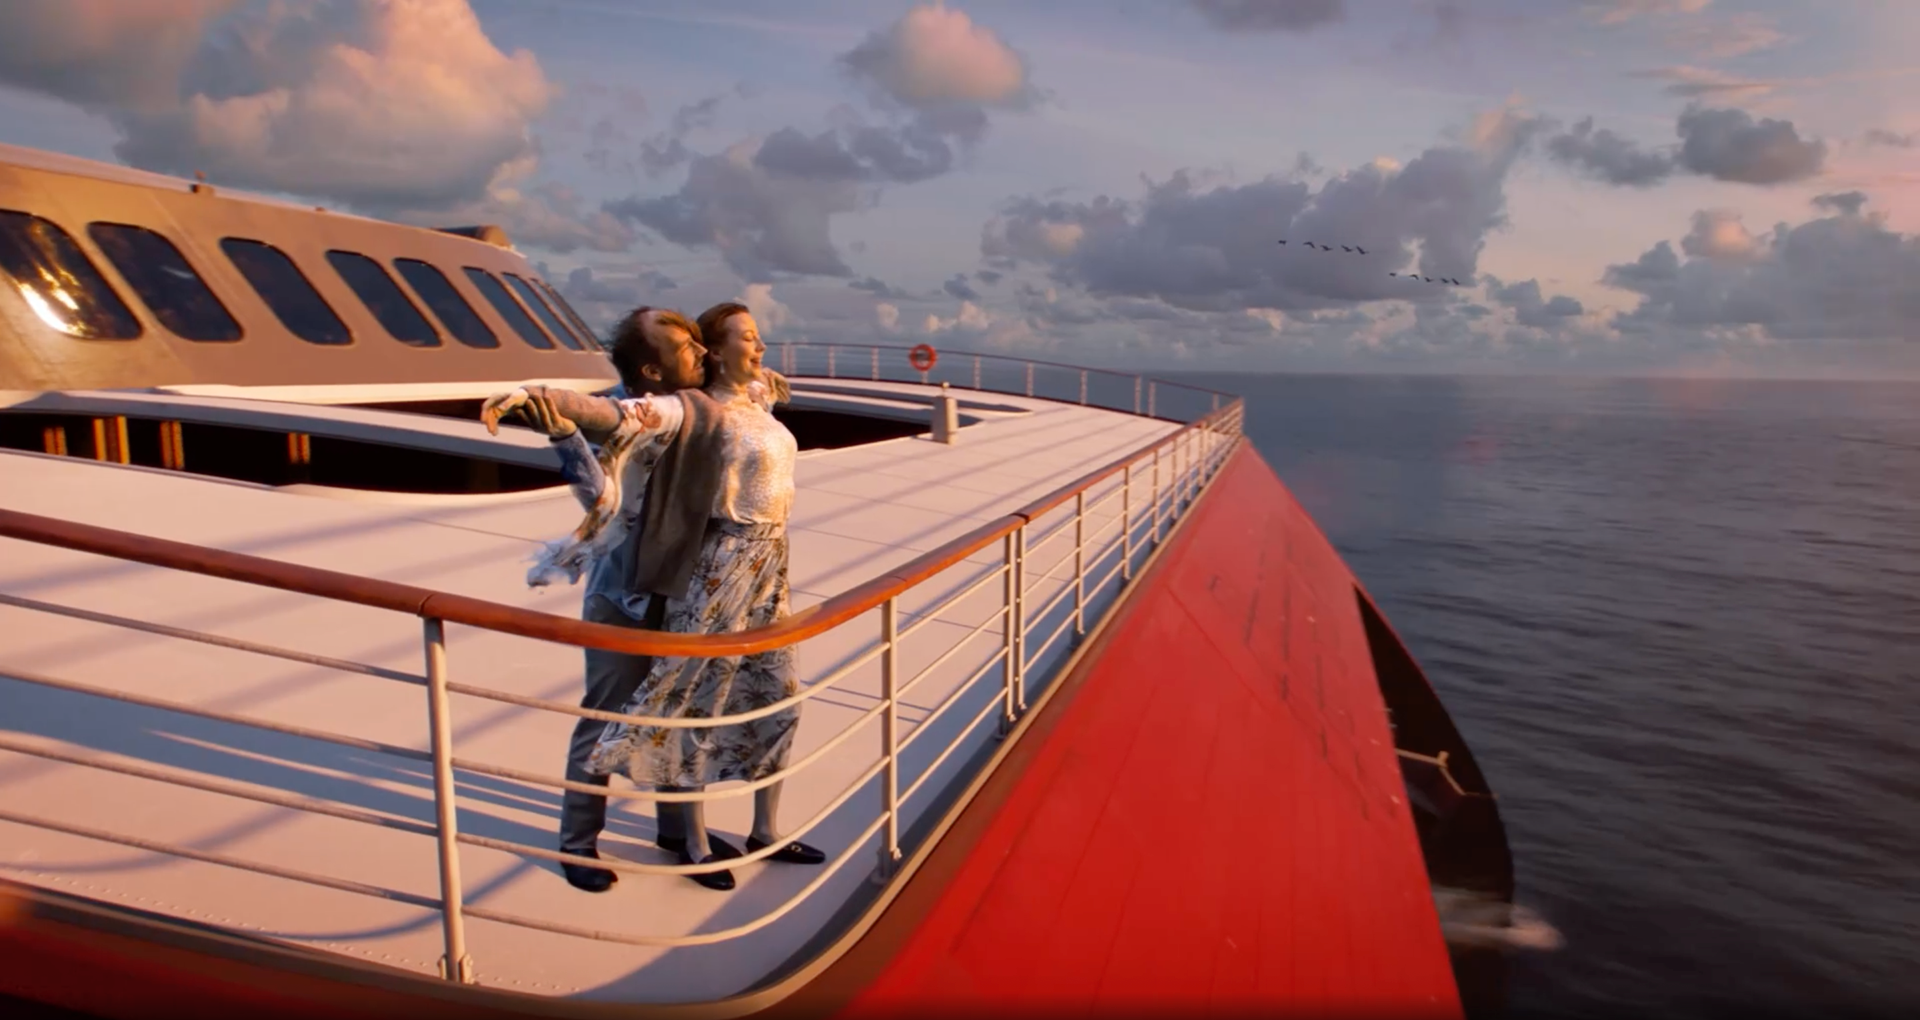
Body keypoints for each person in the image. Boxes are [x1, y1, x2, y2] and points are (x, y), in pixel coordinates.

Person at [481, 306, 720, 894]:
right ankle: (577, 842)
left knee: (679, 716)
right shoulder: (620, 415)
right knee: (607, 720)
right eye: (685, 347)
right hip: (624, 598)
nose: (701, 352)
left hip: (681, 591)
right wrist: (561, 432)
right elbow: (601, 500)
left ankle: (679, 833)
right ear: (652, 371)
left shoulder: (697, 409)